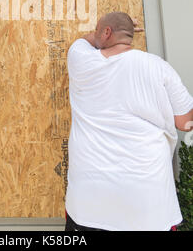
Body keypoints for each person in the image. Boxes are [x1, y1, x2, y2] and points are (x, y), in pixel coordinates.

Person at [65, 12, 193, 232]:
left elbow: (86, 40)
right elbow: (185, 123)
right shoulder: (159, 67)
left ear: (106, 32)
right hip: (147, 205)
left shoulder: (80, 60)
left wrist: (106, 30)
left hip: (89, 205)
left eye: (100, 30)